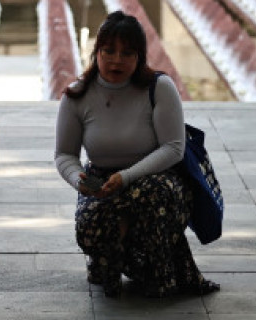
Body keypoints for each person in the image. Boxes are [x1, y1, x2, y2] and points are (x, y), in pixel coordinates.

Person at [54, 11, 219, 298]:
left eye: (127, 53)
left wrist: (127, 177)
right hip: (102, 181)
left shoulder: (159, 88)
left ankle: (132, 263)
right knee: (90, 228)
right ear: (97, 52)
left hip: (158, 178)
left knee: (148, 197)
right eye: (109, 51)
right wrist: (77, 178)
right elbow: (64, 154)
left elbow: (173, 148)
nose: (116, 60)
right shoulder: (77, 95)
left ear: (140, 56)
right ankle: (118, 256)